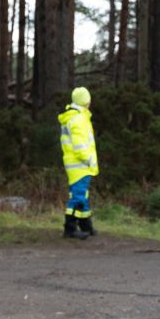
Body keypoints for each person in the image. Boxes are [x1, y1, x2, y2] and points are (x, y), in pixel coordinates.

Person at [59, 86, 99, 240]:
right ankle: (70, 229)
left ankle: (85, 225)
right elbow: (80, 145)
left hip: (78, 164)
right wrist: (88, 159)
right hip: (80, 165)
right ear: (85, 102)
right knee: (77, 196)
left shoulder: (77, 116)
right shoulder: (78, 119)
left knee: (82, 194)